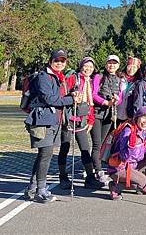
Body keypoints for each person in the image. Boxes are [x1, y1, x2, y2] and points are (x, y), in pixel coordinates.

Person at [23, 49, 75, 203]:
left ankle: (32, 188)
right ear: (50, 61)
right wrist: (70, 99)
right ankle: (41, 190)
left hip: (52, 121)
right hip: (42, 121)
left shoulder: (57, 78)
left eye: (62, 61)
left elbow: (55, 99)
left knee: (43, 156)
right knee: (45, 155)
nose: (59, 63)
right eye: (56, 60)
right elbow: (49, 99)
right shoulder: (43, 77)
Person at [58, 56, 103, 190]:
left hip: (81, 121)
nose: (88, 69)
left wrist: (91, 120)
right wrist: (72, 96)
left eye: (91, 67)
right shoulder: (73, 78)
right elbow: (61, 94)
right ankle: (63, 177)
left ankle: (90, 178)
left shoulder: (89, 82)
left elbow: (90, 105)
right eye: (86, 66)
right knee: (65, 149)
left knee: (85, 149)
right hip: (69, 120)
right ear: (81, 66)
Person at [107, 106, 146, 200]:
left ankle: (142, 185)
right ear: (137, 117)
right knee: (144, 181)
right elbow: (124, 157)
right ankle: (115, 187)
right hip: (119, 167)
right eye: (144, 118)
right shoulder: (127, 131)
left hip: (133, 165)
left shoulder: (145, 131)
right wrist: (131, 146)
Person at [91, 54, 124, 184]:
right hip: (97, 114)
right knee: (96, 143)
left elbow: (120, 97)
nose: (112, 65)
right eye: (110, 63)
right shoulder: (99, 77)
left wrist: (116, 101)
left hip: (109, 116)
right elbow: (94, 94)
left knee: (103, 144)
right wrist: (106, 102)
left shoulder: (119, 80)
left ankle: (97, 167)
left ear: (118, 65)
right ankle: (98, 171)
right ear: (106, 64)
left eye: (115, 63)